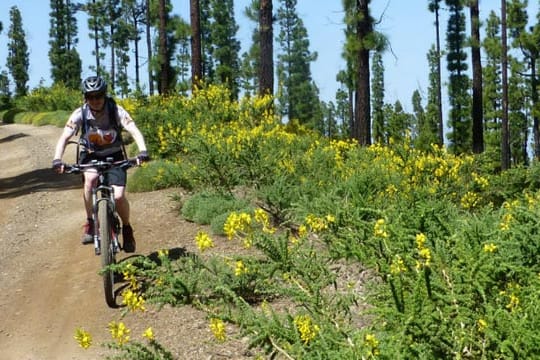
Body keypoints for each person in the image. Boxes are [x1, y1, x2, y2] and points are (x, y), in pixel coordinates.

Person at [52, 75, 149, 253]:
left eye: (99, 96)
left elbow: (133, 130)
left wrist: (142, 151)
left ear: (105, 95)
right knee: (90, 181)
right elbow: (64, 137)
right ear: (85, 98)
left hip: (115, 156)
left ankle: (127, 228)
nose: (95, 100)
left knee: (119, 196)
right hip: (90, 156)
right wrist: (57, 159)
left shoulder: (116, 110)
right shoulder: (80, 113)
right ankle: (90, 222)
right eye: (91, 97)